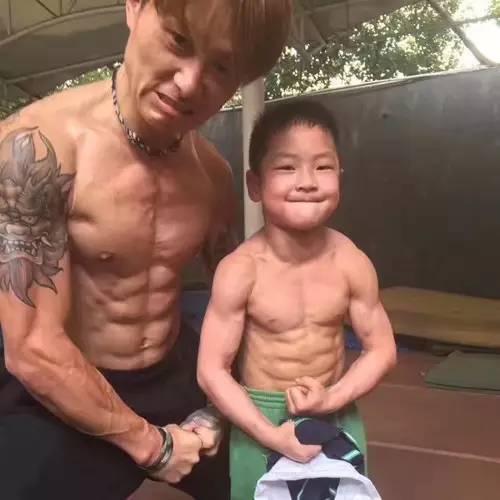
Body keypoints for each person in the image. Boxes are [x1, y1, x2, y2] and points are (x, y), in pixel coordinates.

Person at [0, 1, 292, 499]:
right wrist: (154, 447)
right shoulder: (36, 149)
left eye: (221, 68)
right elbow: (32, 349)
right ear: (135, 7)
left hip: (175, 373)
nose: (189, 83)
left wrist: (223, 404)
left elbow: (245, 302)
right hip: (64, 386)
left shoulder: (213, 175)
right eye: (178, 41)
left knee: (291, 474)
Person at [197, 99, 397, 500]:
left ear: (339, 176)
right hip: (259, 419)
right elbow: (211, 371)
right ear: (255, 185)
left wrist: (332, 397)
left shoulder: (352, 262)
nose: (307, 181)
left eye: (322, 167)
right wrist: (272, 435)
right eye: (287, 167)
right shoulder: (240, 270)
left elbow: (382, 349)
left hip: (335, 412)